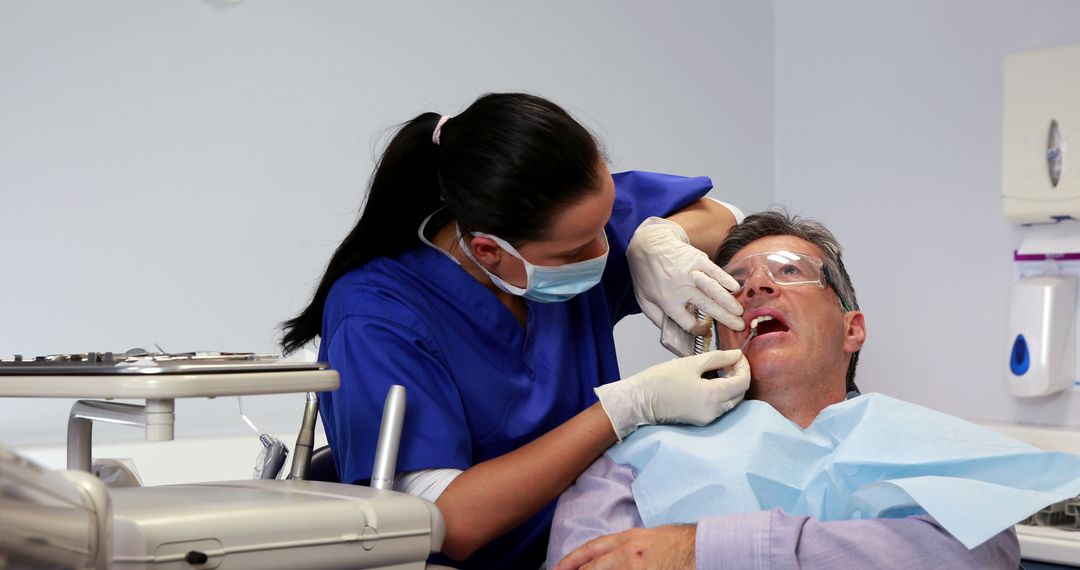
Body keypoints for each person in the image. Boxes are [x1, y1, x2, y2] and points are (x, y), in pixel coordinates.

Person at [280, 92, 753, 569]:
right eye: (573, 253)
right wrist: (627, 408)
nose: (603, 249)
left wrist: (659, 241)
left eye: (607, 226)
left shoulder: (571, 216)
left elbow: (726, 219)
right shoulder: (378, 313)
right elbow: (446, 520)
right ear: (488, 250)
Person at [549, 211, 1025, 570]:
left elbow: (975, 553)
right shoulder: (631, 459)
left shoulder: (922, 446)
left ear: (851, 329)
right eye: (733, 282)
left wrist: (696, 549)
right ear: (715, 335)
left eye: (790, 270)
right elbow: (584, 561)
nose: (756, 285)